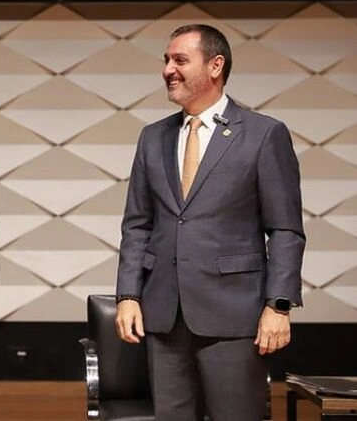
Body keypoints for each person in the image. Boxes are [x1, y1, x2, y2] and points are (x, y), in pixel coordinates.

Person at [115, 24, 305, 420]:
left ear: (215, 65)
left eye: (180, 60)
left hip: (235, 318)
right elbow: (137, 224)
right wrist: (128, 295)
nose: (168, 69)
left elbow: (285, 229)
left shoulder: (264, 134)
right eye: (166, 60)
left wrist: (279, 305)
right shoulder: (152, 137)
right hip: (164, 318)